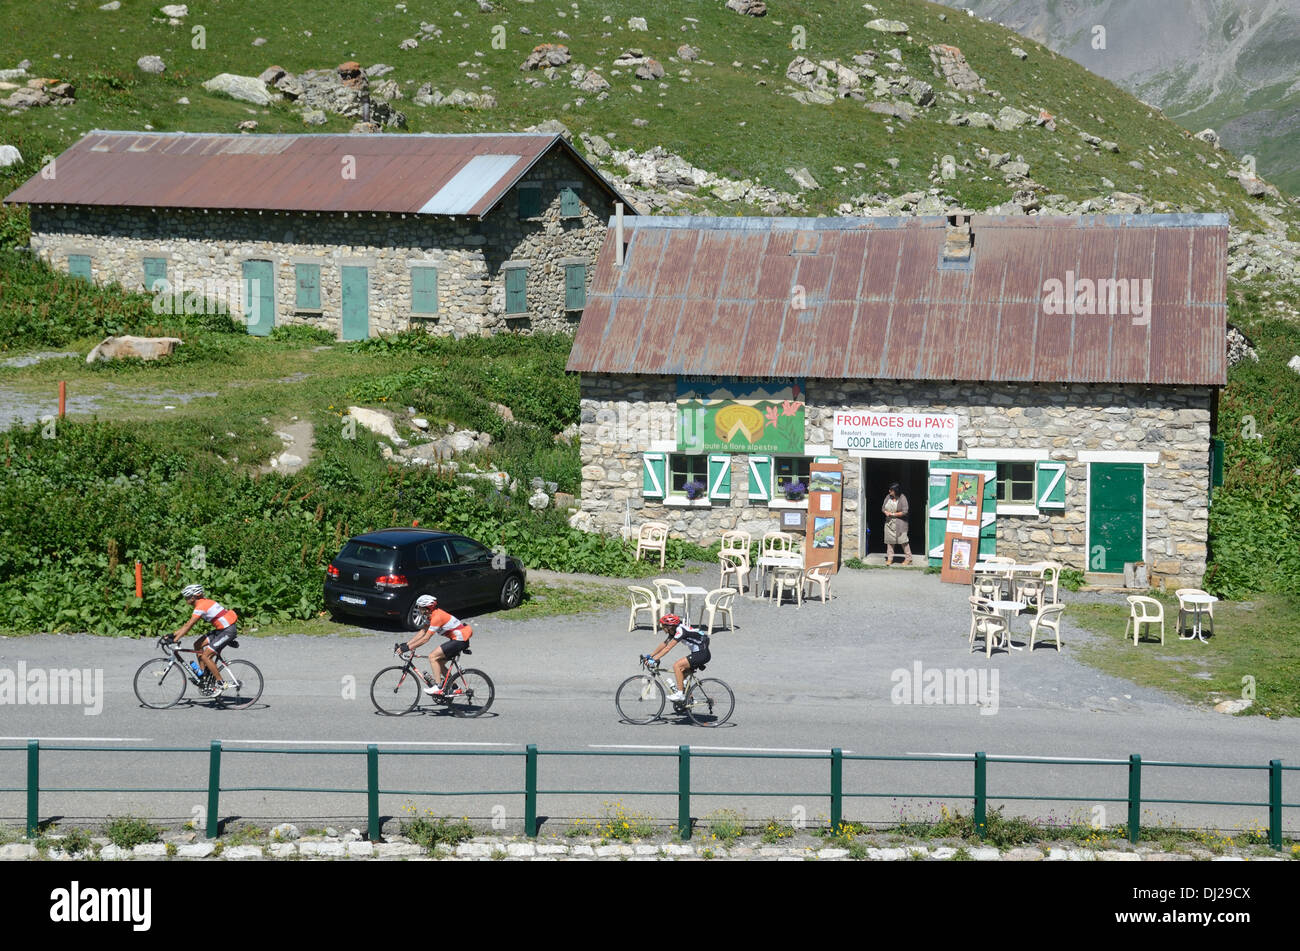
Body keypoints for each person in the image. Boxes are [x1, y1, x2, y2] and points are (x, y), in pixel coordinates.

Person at [395, 594, 473, 695]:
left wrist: (407, 648)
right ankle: (454, 688)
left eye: (420, 607)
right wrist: (406, 644)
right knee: (439, 663)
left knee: (432, 657)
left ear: (427, 608)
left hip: (460, 640)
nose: (418, 609)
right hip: (458, 640)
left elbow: (425, 639)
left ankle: (438, 686)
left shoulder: (437, 617)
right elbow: (423, 632)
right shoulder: (431, 615)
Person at [172, 584, 238, 693]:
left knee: (206, 656)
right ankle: (204, 675)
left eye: (186, 597)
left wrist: (175, 639)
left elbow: (189, 625)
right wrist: (173, 635)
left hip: (227, 631)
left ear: (193, 597)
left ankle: (221, 683)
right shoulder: (204, 602)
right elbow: (186, 626)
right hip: (221, 630)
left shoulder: (201, 606)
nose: (185, 600)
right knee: (197, 645)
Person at [642, 614, 710, 703]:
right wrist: (651, 655)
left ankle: (680, 694)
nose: (663, 628)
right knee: (682, 673)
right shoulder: (674, 630)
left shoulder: (680, 631)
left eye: (663, 626)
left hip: (701, 653)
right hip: (699, 652)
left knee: (677, 666)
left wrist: (654, 660)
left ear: (670, 626)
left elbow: (668, 648)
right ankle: (689, 699)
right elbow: (664, 644)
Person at [882, 482, 913, 566]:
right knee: (890, 541)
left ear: (896, 491)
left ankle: (908, 558)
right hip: (889, 523)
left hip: (900, 524)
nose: (889, 491)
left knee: (903, 541)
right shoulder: (888, 497)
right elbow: (883, 508)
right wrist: (885, 512)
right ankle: (890, 559)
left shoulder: (902, 498)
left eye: (891, 490)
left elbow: (905, 511)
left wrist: (893, 514)